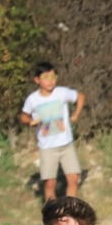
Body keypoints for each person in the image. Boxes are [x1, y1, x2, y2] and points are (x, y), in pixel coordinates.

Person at [20, 60, 85, 200]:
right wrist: (31, 121)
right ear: (37, 80)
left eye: (53, 77)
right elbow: (23, 116)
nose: (50, 81)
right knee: (50, 183)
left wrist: (76, 115)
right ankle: (52, 214)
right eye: (46, 78)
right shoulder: (33, 99)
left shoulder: (62, 92)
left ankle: (70, 210)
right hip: (47, 147)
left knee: (73, 178)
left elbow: (80, 97)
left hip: (66, 144)